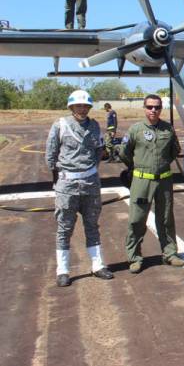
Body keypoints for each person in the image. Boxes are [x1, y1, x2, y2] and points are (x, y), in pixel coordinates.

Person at [45, 90, 113, 287]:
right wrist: (59, 179)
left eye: (85, 106)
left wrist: (91, 170)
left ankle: (98, 265)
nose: (82, 109)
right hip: (67, 185)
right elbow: (51, 155)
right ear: (71, 107)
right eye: (78, 106)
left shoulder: (94, 126)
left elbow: (99, 149)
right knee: (65, 228)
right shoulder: (60, 125)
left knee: (92, 225)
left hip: (91, 183)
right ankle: (63, 270)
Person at [120, 94, 184, 273]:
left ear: (161, 108)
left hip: (164, 181)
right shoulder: (135, 129)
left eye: (157, 107)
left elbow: (174, 151)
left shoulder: (168, 129)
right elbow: (124, 153)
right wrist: (138, 168)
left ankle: (170, 254)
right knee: (136, 220)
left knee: (165, 219)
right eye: (150, 107)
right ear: (144, 108)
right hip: (142, 181)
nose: (153, 110)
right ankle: (134, 257)